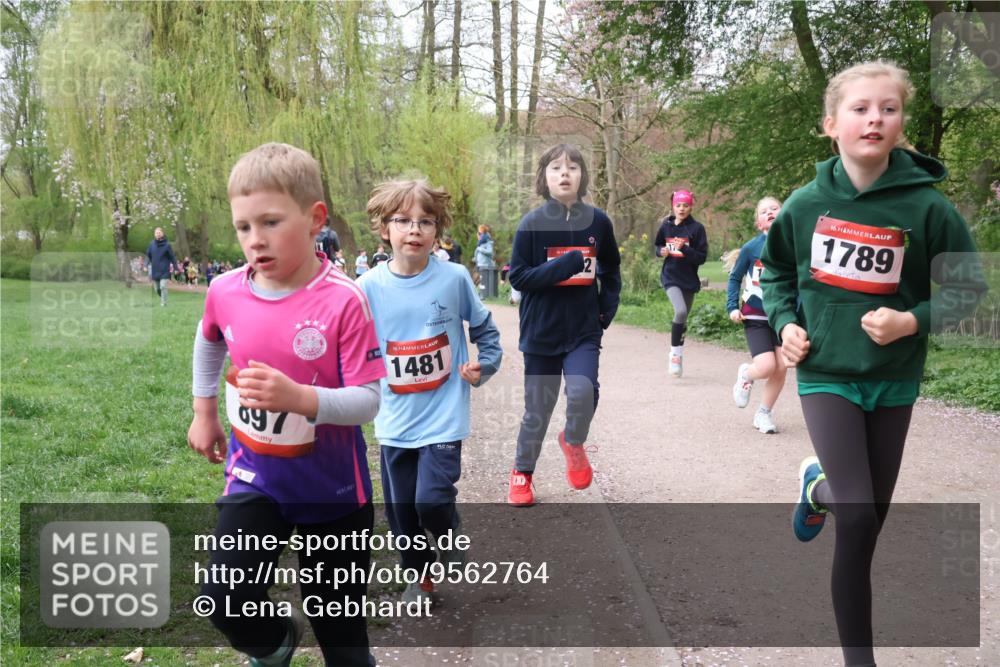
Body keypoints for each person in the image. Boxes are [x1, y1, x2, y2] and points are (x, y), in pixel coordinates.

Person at [760, 62, 985, 667]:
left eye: (888, 108)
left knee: (869, 520)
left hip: (893, 378)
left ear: (901, 123)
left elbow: (969, 289)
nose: (875, 118)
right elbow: (776, 272)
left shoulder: (927, 208)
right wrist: (786, 324)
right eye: (860, 108)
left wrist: (911, 320)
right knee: (857, 517)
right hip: (827, 372)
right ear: (831, 124)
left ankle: (818, 487)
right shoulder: (806, 204)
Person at [186, 142, 386, 667]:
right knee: (225, 598)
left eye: (270, 223)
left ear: (315, 218)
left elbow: (368, 401)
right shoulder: (225, 291)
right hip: (255, 479)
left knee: (341, 634)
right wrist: (204, 410)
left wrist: (299, 399)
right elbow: (209, 339)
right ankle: (274, 644)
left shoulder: (344, 299)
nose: (255, 241)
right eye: (243, 227)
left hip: (334, 494)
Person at [357, 179, 502, 605]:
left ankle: (449, 532)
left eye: (426, 221)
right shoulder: (368, 287)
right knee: (403, 513)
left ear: (438, 231)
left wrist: (485, 364)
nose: (414, 229)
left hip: (443, 412)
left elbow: (486, 332)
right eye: (403, 221)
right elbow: (352, 346)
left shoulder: (454, 278)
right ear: (385, 229)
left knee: (432, 500)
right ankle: (419, 580)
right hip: (395, 418)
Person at [507, 143, 621, 506]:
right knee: (538, 410)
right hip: (541, 331)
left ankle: (574, 440)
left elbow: (611, 269)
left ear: (583, 176)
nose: (565, 173)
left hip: (583, 330)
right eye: (556, 168)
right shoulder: (532, 224)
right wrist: (567, 263)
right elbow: (520, 277)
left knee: (584, 391)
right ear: (544, 178)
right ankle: (521, 474)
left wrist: (606, 310)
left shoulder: (599, 222)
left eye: (573, 167)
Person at [726, 196, 788, 434]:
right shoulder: (752, 248)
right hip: (756, 315)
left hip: (783, 315)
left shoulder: (793, 245)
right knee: (765, 366)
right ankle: (746, 373)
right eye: (764, 211)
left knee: (781, 367)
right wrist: (732, 306)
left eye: (775, 208)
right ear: (760, 223)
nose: (770, 212)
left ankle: (763, 413)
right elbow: (734, 279)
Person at [653, 190, 708, 377]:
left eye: (685, 205)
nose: (681, 208)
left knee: (683, 319)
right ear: (673, 206)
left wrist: (684, 248)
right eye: (678, 205)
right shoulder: (666, 226)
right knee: (681, 311)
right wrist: (661, 252)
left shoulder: (697, 229)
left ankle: (679, 353)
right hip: (670, 276)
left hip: (689, 279)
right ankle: (674, 355)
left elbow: (701, 258)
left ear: (691, 206)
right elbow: (657, 246)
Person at [145, 227, 178, 307]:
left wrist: (176, 268)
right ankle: (163, 297)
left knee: (163, 286)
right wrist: (146, 264)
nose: (158, 234)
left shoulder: (167, 245)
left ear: (162, 234)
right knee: (157, 289)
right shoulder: (151, 244)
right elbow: (148, 256)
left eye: (159, 232)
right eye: (156, 233)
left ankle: (164, 303)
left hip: (164, 270)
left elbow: (172, 257)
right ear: (154, 234)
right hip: (155, 270)